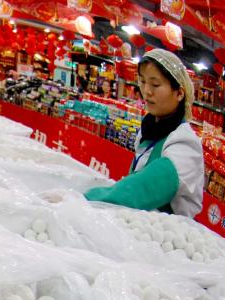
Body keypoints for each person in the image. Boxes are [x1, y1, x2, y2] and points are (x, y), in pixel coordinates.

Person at [84, 49, 204, 218]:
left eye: (155, 85)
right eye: (142, 81)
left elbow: (147, 186)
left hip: (166, 230)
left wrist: (88, 199)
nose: (146, 91)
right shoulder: (149, 130)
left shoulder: (185, 143)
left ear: (179, 93)